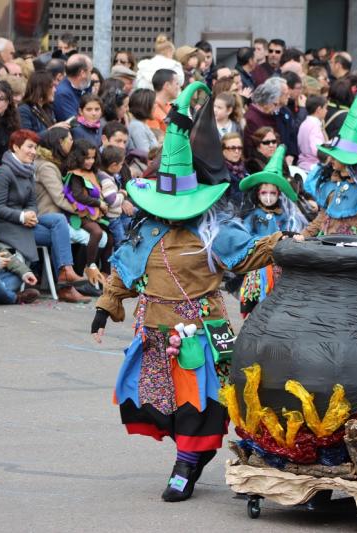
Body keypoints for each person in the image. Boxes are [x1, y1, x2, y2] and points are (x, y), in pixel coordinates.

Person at [89, 81, 296, 503]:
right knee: (158, 404)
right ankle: (193, 458)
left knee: (197, 405)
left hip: (199, 332)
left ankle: (186, 466)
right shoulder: (146, 228)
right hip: (154, 332)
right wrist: (106, 304)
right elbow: (125, 271)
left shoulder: (214, 232)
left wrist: (288, 243)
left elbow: (251, 253)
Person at [0, 129, 83, 288]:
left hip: (24, 222)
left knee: (58, 220)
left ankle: (66, 271)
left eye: (35, 148)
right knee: (58, 235)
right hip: (4, 225)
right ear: (16, 147)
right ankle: (65, 280)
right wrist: (21, 217)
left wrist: (31, 213)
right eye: (29, 147)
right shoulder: (3, 173)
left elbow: (32, 202)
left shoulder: (27, 170)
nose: (33, 152)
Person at [302, 85, 357, 238]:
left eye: (335, 156)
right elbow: (322, 217)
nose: (330, 159)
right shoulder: (330, 184)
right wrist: (303, 235)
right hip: (329, 248)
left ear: (347, 160)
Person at [32, 127, 92, 303]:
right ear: (60, 142)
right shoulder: (46, 166)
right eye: (69, 139)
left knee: (65, 234)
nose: (72, 143)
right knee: (64, 230)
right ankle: (67, 282)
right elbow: (59, 197)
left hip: (54, 219)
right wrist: (82, 210)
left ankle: (68, 283)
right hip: (45, 216)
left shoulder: (54, 163)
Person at [237, 144, 299, 315]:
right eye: (264, 193)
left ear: (279, 195)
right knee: (257, 300)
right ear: (257, 194)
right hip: (259, 265)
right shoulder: (254, 215)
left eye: (273, 193)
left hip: (280, 263)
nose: (269, 197)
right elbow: (246, 236)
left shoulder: (285, 215)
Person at [62, 139, 113, 285]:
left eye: (92, 157)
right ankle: (89, 266)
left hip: (94, 214)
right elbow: (78, 196)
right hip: (80, 214)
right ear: (78, 157)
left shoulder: (92, 173)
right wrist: (99, 203)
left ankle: (106, 272)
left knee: (110, 238)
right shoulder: (75, 175)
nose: (90, 161)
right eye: (86, 158)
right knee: (96, 233)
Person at [97, 146, 128, 250]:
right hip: (112, 218)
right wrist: (122, 195)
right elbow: (111, 201)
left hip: (114, 215)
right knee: (121, 241)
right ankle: (119, 262)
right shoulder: (106, 180)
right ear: (114, 165)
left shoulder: (103, 174)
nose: (121, 166)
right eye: (121, 164)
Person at [243, 82, 281, 156]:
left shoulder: (266, 115)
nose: (276, 108)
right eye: (275, 104)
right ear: (265, 102)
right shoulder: (251, 119)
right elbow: (250, 148)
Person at [53, 54, 93, 122]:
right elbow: (73, 124)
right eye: (90, 71)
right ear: (82, 73)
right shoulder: (63, 94)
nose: (91, 75)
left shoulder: (84, 86)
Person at [296, 95, 327, 172]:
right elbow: (318, 150)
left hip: (303, 165)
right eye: (325, 108)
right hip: (312, 168)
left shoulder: (304, 123)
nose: (327, 111)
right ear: (319, 109)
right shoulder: (315, 126)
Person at [147, 69, 180, 135]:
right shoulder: (151, 110)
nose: (179, 87)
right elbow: (157, 141)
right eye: (177, 84)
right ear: (167, 85)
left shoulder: (171, 107)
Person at [221, 132, 248, 210]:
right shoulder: (220, 174)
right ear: (223, 150)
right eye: (232, 148)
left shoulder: (243, 167)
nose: (237, 151)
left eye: (239, 148)